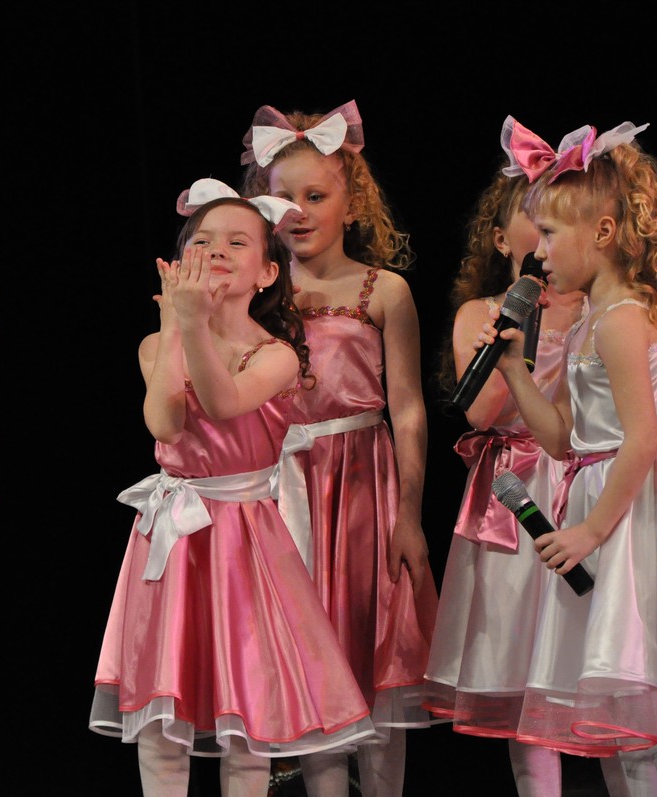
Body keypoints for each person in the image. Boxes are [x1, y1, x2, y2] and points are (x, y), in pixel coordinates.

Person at [91, 179, 377, 797]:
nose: (216, 249)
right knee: (162, 719)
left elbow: (222, 404)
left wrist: (192, 323)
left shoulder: (277, 355)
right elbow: (165, 424)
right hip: (173, 537)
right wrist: (175, 326)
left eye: (237, 242)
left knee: (245, 720)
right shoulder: (156, 343)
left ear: (268, 273)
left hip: (243, 541)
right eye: (202, 240)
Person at [479, 120, 657, 796]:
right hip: (601, 495)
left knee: (645, 701)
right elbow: (563, 438)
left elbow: (640, 438)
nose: (539, 253)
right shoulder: (589, 320)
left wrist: (589, 530)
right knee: (622, 712)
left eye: (549, 234)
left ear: (604, 233)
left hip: (633, 508)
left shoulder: (618, 321)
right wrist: (515, 371)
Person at [239, 102, 437, 797]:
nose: (297, 212)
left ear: (352, 204)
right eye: (283, 198)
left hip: (361, 492)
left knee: (371, 656)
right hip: (279, 490)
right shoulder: (256, 294)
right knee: (307, 667)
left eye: (316, 196)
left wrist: (408, 515)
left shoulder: (384, 291)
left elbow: (407, 409)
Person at [423, 117, 595, 797]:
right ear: (502, 240)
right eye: (532, 214)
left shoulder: (599, 308)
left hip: (582, 481)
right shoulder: (483, 313)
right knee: (522, 669)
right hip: (515, 493)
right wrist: (516, 333)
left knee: (593, 650)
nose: (544, 228)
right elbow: (480, 413)